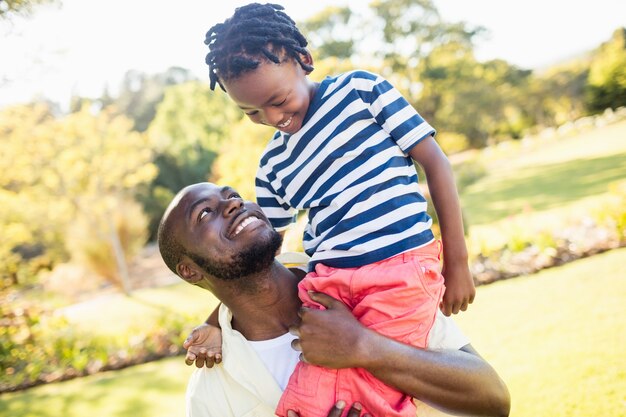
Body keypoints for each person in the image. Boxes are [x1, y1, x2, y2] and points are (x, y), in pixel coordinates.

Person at [201, 3, 476, 416]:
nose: (273, 118)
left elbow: (435, 162)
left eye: (277, 100)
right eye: (252, 112)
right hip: (330, 285)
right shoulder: (273, 166)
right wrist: (216, 321)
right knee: (309, 393)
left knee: (374, 384)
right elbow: (262, 257)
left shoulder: (361, 92)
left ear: (304, 61)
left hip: (397, 274)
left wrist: (457, 261)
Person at [158, 182, 510, 417]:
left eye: (231, 194)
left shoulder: (361, 278)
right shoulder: (211, 393)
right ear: (189, 270)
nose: (233, 203)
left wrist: (364, 346)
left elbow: (492, 399)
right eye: (204, 213)